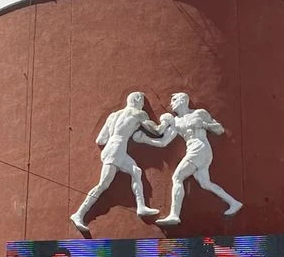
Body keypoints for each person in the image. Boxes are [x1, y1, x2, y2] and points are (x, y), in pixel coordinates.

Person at [70, 91, 164, 235]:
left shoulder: (113, 115)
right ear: (137, 99)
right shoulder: (138, 114)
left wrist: (119, 134)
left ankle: (141, 207)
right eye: (142, 101)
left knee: (136, 171)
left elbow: (100, 140)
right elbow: (156, 131)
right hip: (117, 150)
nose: (143, 104)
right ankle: (79, 214)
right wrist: (168, 123)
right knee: (103, 185)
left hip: (112, 149)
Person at [156, 92, 242, 226]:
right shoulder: (176, 121)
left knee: (177, 178)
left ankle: (174, 215)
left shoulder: (199, 113)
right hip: (194, 150)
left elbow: (219, 129)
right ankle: (234, 203)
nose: (171, 103)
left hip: (200, 148)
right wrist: (144, 139)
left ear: (182, 100)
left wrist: (204, 125)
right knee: (205, 183)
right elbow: (163, 141)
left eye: (174, 100)